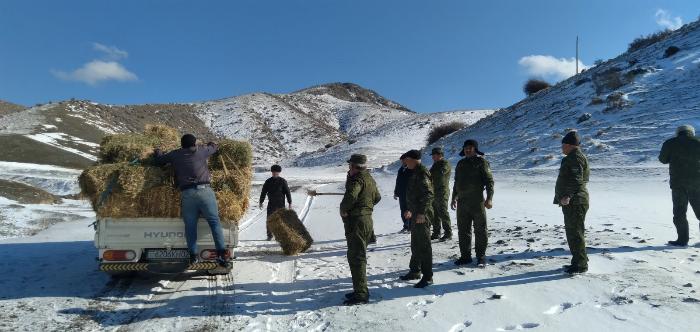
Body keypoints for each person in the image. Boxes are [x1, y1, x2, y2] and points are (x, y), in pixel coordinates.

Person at [154, 134, 228, 267]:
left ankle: (193, 256)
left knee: (190, 225)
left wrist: (158, 151)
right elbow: (214, 148)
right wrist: (212, 144)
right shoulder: (201, 150)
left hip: (187, 193)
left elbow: (159, 160)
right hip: (205, 191)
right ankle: (222, 255)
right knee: (214, 222)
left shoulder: (175, 154)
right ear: (194, 143)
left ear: (181, 144)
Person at [339, 154, 381, 305]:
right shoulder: (369, 178)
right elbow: (377, 197)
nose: (348, 168)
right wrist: (365, 207)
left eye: (350, 166)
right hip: (367, 220)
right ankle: (360, 289)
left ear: (353, 166)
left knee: (356, 258)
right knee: (359, 256)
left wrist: (344, 209)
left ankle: (361, 294)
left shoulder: (356, 180)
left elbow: (350, 196)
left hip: (356, 222)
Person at [451, 139, 494, 267]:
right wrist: (454, 198)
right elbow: (456, 183)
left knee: (480, 230)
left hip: (477, 202)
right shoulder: (460, 163)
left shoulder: (482, 162)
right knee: (463, 230)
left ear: (475, 149)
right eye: (466, 148)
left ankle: (481, 257)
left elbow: (489, 182)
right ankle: (465, 256)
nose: (467, 150)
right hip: (462, 203)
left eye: (470, 147)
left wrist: (489, 198)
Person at [554, 131, 590, 274]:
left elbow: (577, 180)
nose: (562, 148)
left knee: (575, 233)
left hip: (575, 202)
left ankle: (580, 265)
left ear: (569, 145)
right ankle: (579, 261)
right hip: (574, 201)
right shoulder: (575, 157)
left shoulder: (574, 158)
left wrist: (567, 195)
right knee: (574, 232)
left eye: (563, 145)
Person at [659, 125, 700, 247]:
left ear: (678, 133)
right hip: (697, 184)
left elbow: (663, 159)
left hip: (678, 184)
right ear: (691, 132)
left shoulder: (670, 143)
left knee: (679, 213)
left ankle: (682, 240)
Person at [399, 149, 434, 288]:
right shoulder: (414, 172)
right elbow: (415, 194)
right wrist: (409, 210)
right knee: (415, 244)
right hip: (415, 214)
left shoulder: (422, 172)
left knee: (424, 245)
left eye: (407, 160)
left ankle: (428, 276)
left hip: (422, 216)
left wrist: (421, 213)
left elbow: (428, 194)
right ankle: (415, 271)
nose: (405, 162)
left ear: (413, 159)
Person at [259, 164, 292, 241]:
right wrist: (261, 201)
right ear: (271, 172)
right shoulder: (268, 181)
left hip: (281, 204)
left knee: (281, 220)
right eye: (273, 172)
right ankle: (269, 235)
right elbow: (263, 192)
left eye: (276, 172)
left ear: (279, 172)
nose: (275, 173)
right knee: (269, 220)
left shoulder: (283, 181)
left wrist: (290, 202)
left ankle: (280, 235)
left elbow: (287, 192)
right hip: (271, 204)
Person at [430, 147, 452, 241]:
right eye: (433, 156)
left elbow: (440, 173)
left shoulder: (444, 163)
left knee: (443, 212)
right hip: (434, 192)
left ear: (440, 155)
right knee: (435, 214)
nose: (433, 158)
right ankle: (436, 232)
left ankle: (448, 233)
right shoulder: (435, 165)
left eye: (434, 155)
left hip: (442, 192)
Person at [394, 153, 412, 233]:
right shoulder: (401, 169)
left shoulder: (411, 169)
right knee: (403, 210)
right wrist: (396, 192)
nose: (402, 162)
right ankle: (406, 225)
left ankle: (411, 226)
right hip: (402, 194)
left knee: (410, 210)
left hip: (410, 193)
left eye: (403, 160)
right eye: (401, 161)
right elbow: (398, 181)